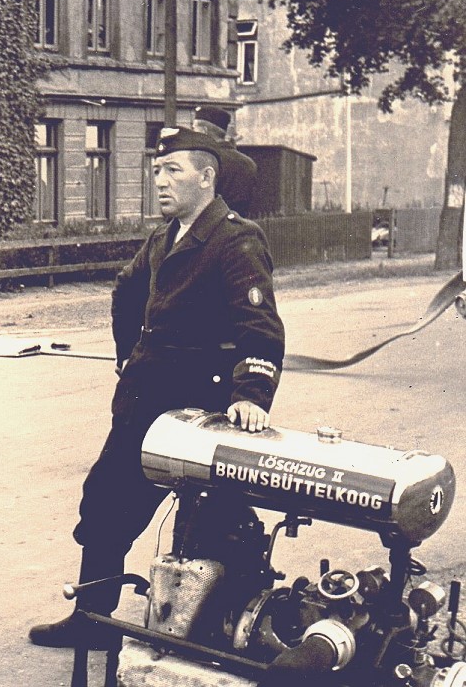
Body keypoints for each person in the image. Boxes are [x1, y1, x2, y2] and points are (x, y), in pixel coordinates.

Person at [28, 127, 285, 649]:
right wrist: (128, 355)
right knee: (105, 505)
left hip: (200, 412)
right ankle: (93, 619)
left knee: (204, 523)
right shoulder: (164, 237)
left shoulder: (236, 239)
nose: (160, 181)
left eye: (173, 171)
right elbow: (125, 291)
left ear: (207, 177)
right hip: (145, 404)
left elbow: (259, 327)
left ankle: (203, 631)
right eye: (157, 171)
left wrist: (249, 395)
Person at [192, 106, 258, 218]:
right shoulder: (249, 163)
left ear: (204, 131)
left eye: (194, 129)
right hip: (240, 224)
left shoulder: (203, 161)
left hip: (208, 226)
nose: (193, 134)